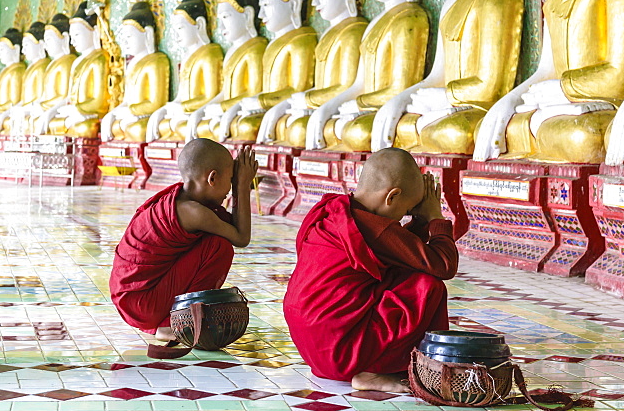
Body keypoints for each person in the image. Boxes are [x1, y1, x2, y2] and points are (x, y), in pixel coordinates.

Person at [284, 148, 458, 392]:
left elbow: (399, 253)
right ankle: (374, 373)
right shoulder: (373, 227)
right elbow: (443, 265)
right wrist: (436, 219)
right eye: (406, 210)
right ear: (391, 197)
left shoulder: (336, 211)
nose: (402, 219)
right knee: (428, 287)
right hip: (342, 353)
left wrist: (419, 222)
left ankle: (375, 365)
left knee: (402, 275)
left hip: (314, 347)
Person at [110, 139, 258, 341]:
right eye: (230, 180)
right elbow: (241, 237)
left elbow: (233, 226)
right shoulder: (194, 212)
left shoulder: (183, 199)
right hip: (141, 302)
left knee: (212, 240)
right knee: (219, 247)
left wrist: (239, 184)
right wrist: (242, 186)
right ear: (212, 178)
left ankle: (162, 325)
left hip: (133, 299)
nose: (229, 190)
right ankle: (175, 324)